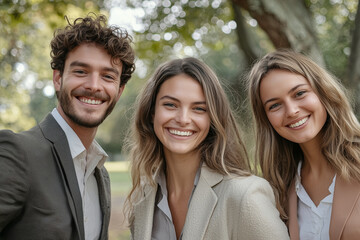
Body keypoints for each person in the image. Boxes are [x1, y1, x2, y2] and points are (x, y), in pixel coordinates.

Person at [0, 13, 135, 240]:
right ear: (58, 79)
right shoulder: (17, 152)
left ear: (119, 91)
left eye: (107, 76)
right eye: (81, 71)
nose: (93, 86)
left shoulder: (100, 174)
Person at [124, 57, 289, 240]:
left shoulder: (244, 195)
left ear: (212, 119)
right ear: (151, 112)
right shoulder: (142, 200)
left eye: (199, 109)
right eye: (170, 105)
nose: (183, 119)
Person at [247, 49, 360, 239]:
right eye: (274, 105)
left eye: (299, 93)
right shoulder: (277, 190)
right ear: (266, 119)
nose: (291, 111)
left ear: (322, 92)